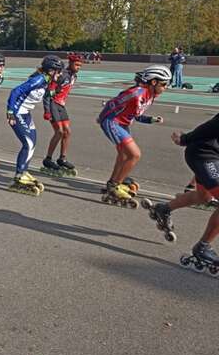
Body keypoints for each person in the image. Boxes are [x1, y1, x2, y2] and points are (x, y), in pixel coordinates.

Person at [144, 114, 219, 275]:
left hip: (212, 157)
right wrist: (184, 139)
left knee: (203, 197)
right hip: (204, 155)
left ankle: (163, 209)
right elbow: (209, 127)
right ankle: (202, 247)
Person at [97, 65, 171, 205]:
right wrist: (101, 118)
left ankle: (113, 182)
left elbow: (136, 115)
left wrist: (150, 120)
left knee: (124, 154)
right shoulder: (136, 93)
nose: (165, 87)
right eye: (164, 84)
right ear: (153, 82)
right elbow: (112, 103)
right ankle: (115, 186)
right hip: (112, 122)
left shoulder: (150, 95)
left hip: (123, 124)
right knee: (134, 154)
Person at [6, 55, 64, 196]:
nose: (60, 74)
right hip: (17, 113)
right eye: (59, 71)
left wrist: (51, 93)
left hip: (26, 113)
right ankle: (19, 175)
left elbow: (42, 94)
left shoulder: (45, 80)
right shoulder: (38, 79)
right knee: (28, 143)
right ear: (51, 70)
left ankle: (24, 171)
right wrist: (10, 112)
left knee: (33, 143)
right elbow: (15, 91)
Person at [41, 52, 82, 176]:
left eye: (80, 65)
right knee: (59, 132)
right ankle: (48, 159)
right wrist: (47, 110)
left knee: (67, 132)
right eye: (76, 64)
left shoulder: (74, 76)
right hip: (53, 104)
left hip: (61, 105)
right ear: (70, 63)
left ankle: (62, 158)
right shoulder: (61, 75)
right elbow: (48, 92)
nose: (78, 67)